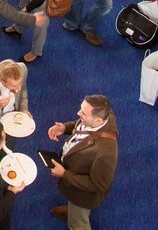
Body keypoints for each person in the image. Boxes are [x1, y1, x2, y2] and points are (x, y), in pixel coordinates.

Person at [46, 94, 118, 227]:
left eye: (83, 113)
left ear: (98, 121)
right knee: (75, 208)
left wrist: (64, 174)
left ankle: (75, 216)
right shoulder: (103, 115)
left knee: (78, 223)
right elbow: (82, 126)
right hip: (76, 180)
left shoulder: (106, 154)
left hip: (83, 196)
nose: (78, 113)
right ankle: (72, 210)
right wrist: (65, 128)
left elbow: (98, 185)